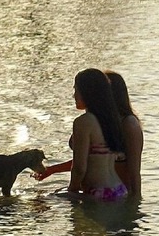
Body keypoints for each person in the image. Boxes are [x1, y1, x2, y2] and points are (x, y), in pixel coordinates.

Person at [34, 70, 142, 198]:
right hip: (116, 191)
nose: (73, 96)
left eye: (76, 90)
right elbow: (93, 159)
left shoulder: (126, 123)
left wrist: (135, 202)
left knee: (40, 201)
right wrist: (52, 169)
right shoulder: (105, 122)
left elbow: (80, 167)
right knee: (54, 195)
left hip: (103, 192)